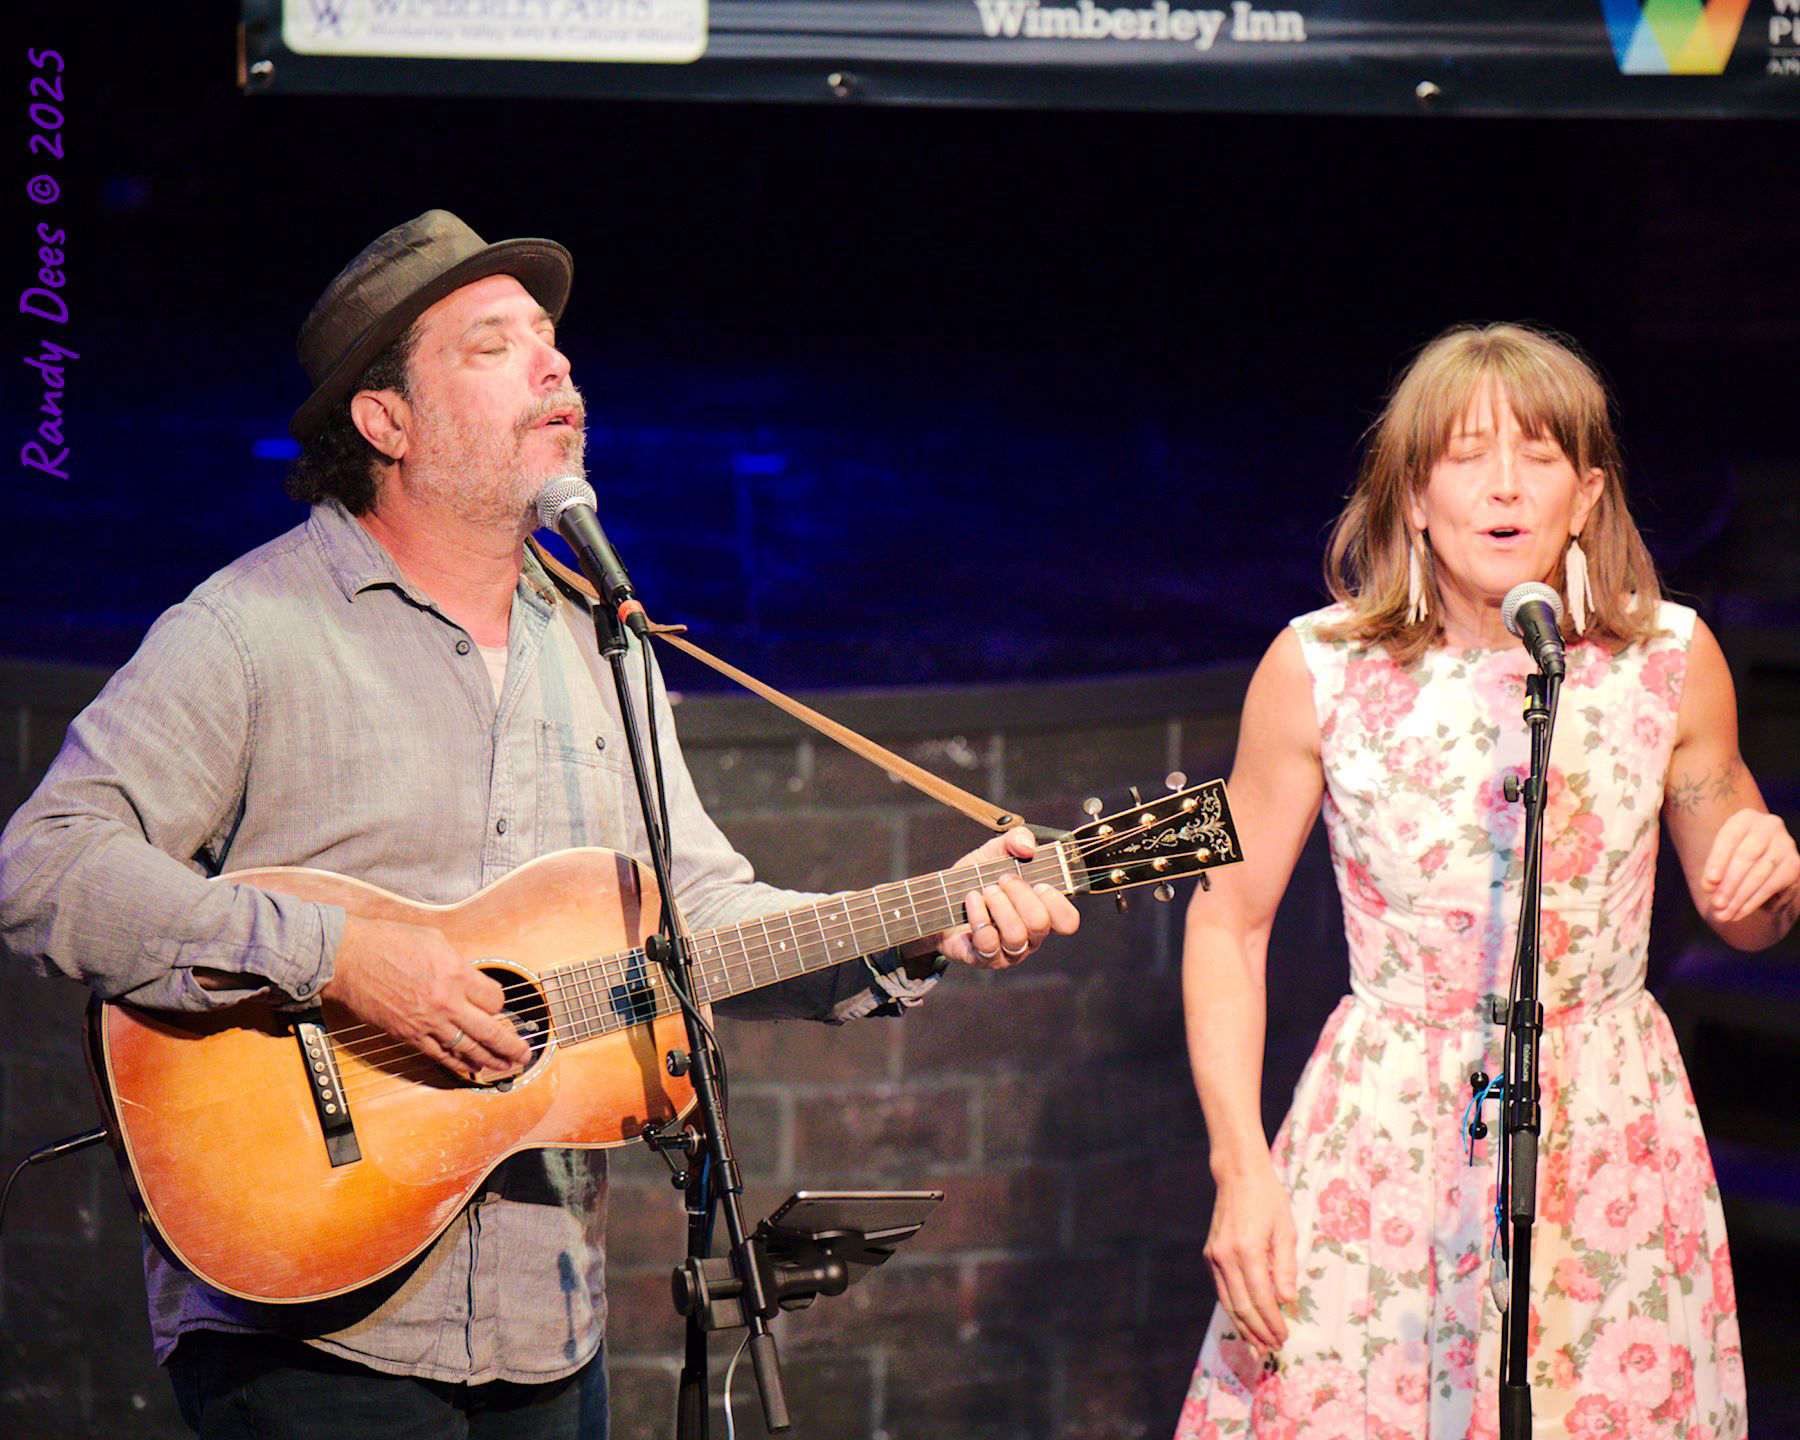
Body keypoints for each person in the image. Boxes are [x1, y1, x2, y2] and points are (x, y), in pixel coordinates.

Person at [0, 210, 1080, 1438]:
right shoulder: (248, 630)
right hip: (310, 1322)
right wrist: (343, 959)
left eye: (553, 342)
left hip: (545, 1326)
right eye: (492, 346)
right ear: (385, 420)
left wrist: (932, 919)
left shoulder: (602, 646)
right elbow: (45, 867)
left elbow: (701, 920)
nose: (555, 366)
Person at [1173, 324, 1797, 1439]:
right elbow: (1228, 920)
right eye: (1465, 456)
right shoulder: (1321, 668)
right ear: (1413, 494)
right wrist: (1240, 1167)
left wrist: (1773, 871)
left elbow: (1742, 912)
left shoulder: (1668, 658)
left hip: (1605, 1122)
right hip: (1385, 1127)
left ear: (1589, 494)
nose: (1504, 488)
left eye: (1540, 457)